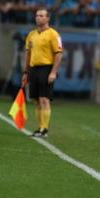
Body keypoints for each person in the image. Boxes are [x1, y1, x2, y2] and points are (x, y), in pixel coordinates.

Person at [22, 8, 62, 138]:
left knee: (44, 99)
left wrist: (53, 72)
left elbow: (58, 54)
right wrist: (25, 72)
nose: (38, 18)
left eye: (41, 15)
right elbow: (27, 54)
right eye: (37, 15)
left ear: (48, 18)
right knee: (36, 100)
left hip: (46, 68)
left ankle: (45, 129)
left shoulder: (53, 34)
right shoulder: (31, 35)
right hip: (33, 69)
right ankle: (40, 128)